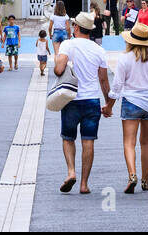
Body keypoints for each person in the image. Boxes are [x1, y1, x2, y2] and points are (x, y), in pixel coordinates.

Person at [54, 11, 112, 195]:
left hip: (71, 99)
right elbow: (103, 80)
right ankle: (84, 184)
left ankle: (71, 172)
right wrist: (108, 104)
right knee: (88, 141)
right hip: (91, 101)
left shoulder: (67, 45)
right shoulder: (99, 50)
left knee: (68, 138)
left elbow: (58, 70)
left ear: (77, 27)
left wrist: (62, 61)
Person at [106, 23, 148, 193]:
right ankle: (145, 181)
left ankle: (132, 175)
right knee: (146, 143)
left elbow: (117, 86)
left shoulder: (124, 59)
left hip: (131, 102)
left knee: (129, 142)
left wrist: (109, 106)